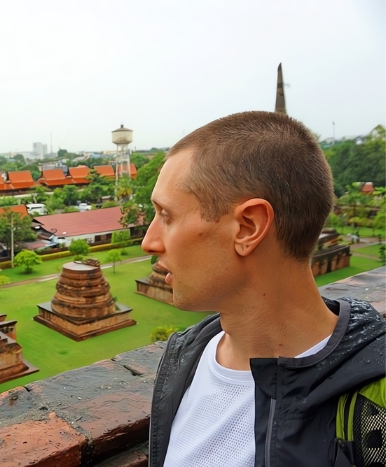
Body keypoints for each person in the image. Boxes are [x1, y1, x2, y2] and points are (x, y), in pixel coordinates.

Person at [142, 111, 385, 467]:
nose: (149, 241)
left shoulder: (372, 403)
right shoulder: (185, 358)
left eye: (166, 216)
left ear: (248, 227)